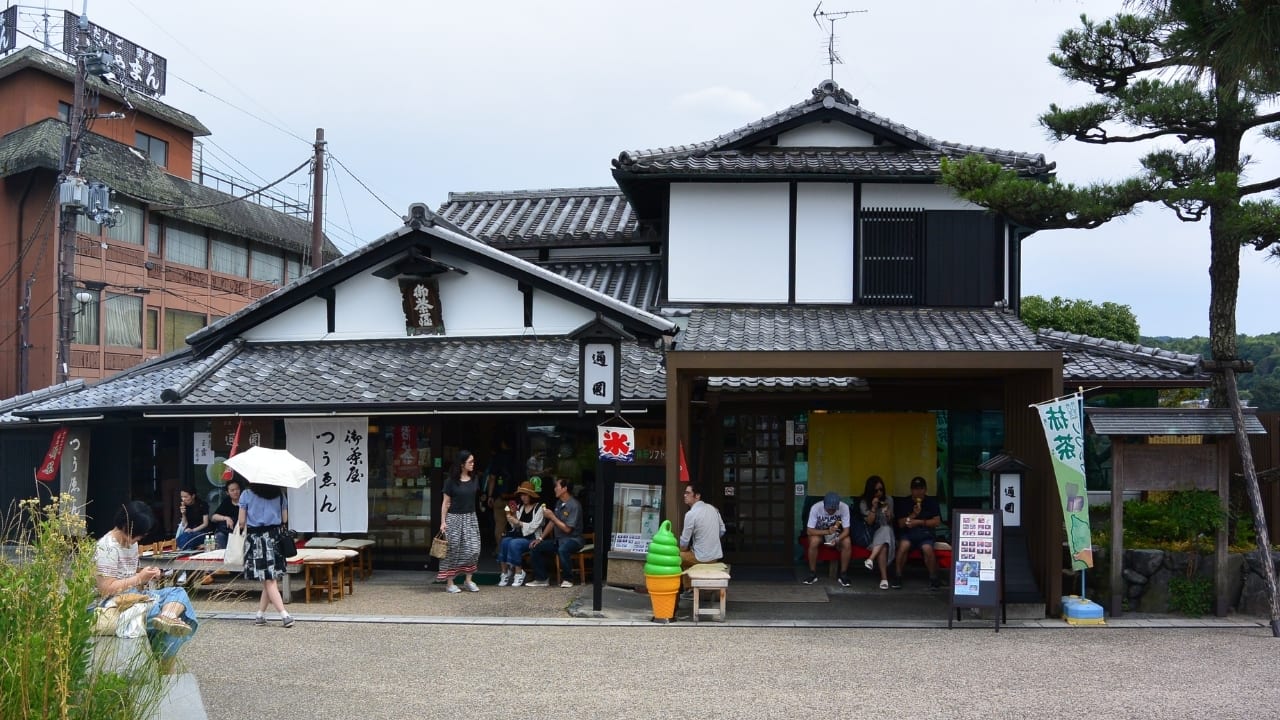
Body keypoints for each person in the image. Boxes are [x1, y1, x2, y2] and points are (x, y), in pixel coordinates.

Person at [95, 501, 198, 663]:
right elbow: (106, 589)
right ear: (125, 526)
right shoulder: (106, 548)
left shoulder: (132, 544)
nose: (139, 538)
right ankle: (165, 662)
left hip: (134, 597)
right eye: (138, 534)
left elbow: (132, 577)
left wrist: (147, 575)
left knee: (178, 592)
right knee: (161, 611)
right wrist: (139, 578)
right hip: (113, 605)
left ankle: (167, 618)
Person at [237, 482, 295, 627]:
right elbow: (285, 519)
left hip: (256, 539)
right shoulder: (280, 494)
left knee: (269, 580)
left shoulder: (246, 494)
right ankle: (280, 615)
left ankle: (272, 615)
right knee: (270, 579)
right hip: (275, 538)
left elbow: (242, 521)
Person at [526, 477, 583, 588]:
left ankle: (568, 579)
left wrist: (552, 516)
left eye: (557, 486)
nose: (555, 489)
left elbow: (567, 529)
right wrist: (540, 539)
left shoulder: (574, 505)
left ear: (564, 489)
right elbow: (552, 523)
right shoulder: (559, 503)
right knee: (535, 547)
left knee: (563, 549)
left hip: (574, 539)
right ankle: (542, 578)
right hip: (559, 540)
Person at [438, 449, 482, 593]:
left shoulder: (475, 479)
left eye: (473, 461)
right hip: (454, 519)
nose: (473, 464)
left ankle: (468, 580)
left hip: (470, 518)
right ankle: (450, 583)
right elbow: (445, 503)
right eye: (470, 462)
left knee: (473, 550)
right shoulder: (450, 482)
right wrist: (443, 522)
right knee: (452, 550)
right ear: (462, 464)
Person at [892, 476, 942, 590]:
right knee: (903, 546)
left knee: (927, 548)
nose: (918, 492)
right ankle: (898, 576)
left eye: (920, 489)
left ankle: (934, 577)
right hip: (908, 534)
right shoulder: (905, 502)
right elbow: (900, 523)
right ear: (911, 490)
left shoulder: (931, 502)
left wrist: (919, 522)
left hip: (925, 534)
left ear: (925, 490)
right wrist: (913, 515)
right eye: (915, 489)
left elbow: (937, 521)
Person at [678, 483, 725, 595]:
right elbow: (723, 530)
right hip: (715, 556)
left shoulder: (691, 514)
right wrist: (710, 538)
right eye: (685, 493)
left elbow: (684, 543)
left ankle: (687, 589)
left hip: (702, 557)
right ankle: (690, 589)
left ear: (697, 496)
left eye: (688, 493)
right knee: (686, 556)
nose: (685, 495)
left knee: (678, 556)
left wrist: (682, 549)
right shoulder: (713, 509)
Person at [496, 481, 544, 587]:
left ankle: (519, 572)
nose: (523, 497)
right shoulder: (521, 507)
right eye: (522, 495)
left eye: (525, 495)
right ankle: (505, 572)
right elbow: (516, 527)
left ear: (531, 495)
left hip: (532, 538)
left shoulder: (539, 508)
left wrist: (519, 522)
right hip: (520, 536)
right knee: (504, 541)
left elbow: (533, 527)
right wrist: (512, 517)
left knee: (514, 543)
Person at [853, 475, 895, 590]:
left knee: (886, 529)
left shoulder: (889, 500)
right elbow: (870, 522)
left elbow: (890, 522)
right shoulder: (864, 502)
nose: (879, 493)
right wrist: (874, 507)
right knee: (883, 546)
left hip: (887, 530)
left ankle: (871, 559)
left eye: (881, 489)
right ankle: (884, 578)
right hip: (871, 534)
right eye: (876, 490)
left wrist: (888, 514)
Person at [803, 491, 852, 587]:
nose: (831, 511)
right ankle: (812, 573)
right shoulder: (816, 508)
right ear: (824, 504)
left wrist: (837, 539)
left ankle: (843, 574)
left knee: (847, 542)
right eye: (829, 509)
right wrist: (827, 532)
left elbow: (846, 531)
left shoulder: (844, 507)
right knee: (814, 541)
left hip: (836, 534)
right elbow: (809, 531)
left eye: (834, 509)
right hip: (820, 533)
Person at [210, 477, 245, 549]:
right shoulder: (227, 501)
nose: (235, 492)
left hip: (242, 531)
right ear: (227, 492)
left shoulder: (245, 500)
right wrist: (226, 518)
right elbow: (214, 517)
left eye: (237, 489)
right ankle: (223, 557)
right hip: (228, 532)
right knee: (219, 535)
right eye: (232, 490)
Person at [175, 486, 211, 550]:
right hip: (189, 532)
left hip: (202, 531)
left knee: (185, 542)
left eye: (186, 497)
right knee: (178, 540)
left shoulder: (202, 505)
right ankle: (195, 547)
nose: (183, 499)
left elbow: (205, 524)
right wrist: (183, 513)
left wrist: (193, 530)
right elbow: (184, 524)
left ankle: (197, 546)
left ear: (193, 496)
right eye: (182, 497)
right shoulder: (183, 506)